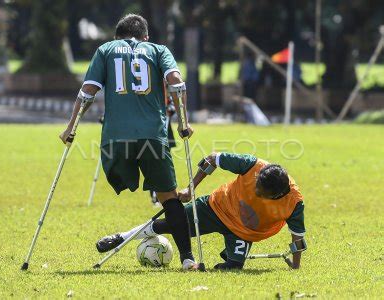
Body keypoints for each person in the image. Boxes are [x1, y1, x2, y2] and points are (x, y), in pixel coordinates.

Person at [59, 14, 198, 270]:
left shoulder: (106, 50)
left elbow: (87, 91)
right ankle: (188, 259)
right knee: (169, 196)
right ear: (146, 36)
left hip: (115, 139)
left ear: (117, 36)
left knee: (121, 178)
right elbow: (177, 83)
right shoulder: (158, 50)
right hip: (153, 137)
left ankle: (126, 180)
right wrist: (183, 122)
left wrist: (71, 127)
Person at [97, 152, 306, 270]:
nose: (255, 190)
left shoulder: (294, 203)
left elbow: (298, 238)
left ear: (277, 194)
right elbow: (213, 159)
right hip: (216, 207)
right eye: (256, 184)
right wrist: (191, 187)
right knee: (173, 223)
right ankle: (121, 237)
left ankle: (231, 255)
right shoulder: (254, 165)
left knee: (233, 267)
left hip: (244, 232)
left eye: (261, 192)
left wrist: (295, 266)